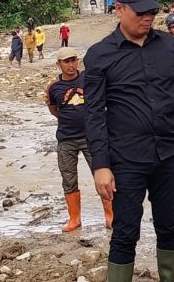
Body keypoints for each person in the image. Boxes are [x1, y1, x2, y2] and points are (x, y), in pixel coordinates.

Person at [84, 0, 174, 282]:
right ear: (119, 9)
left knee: (169, 225)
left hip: (168, 154)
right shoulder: (99, 55)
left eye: (151, 12)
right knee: (125, 230)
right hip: (126, 159)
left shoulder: (168, 46)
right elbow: (93, 114)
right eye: (140, 12)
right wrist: (100, 165)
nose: (147, 18)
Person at [45, 47, 113, 232]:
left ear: (78, 61)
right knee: (68, 178)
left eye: (73, 60)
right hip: (66, 139)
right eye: (66, 61)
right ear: (58, 64)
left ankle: (110, 216)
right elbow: (53, 109)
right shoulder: (53, 87)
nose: (71, 65)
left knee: (103, 176)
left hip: (93, 137)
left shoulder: (89, 79)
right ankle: (74, 219)